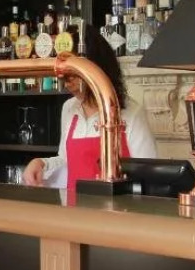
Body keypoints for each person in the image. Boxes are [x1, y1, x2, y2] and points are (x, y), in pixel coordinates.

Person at [22, 23, 156, 188]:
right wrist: (42, 163)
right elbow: (66, 160)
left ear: (96, 68)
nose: (67, 83)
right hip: (74, 203)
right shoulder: (69, 108)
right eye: (64, 76)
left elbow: (148, 175)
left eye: (73, 74)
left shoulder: (131, 113)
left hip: (116, 204)